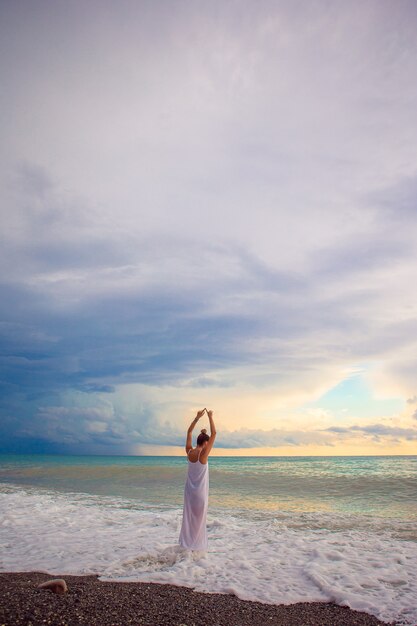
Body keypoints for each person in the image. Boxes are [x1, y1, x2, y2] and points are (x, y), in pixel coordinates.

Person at [179, 408, 216, 551]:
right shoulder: (204, 454)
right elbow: (214, 434)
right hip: (200, 495)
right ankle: (197, 549)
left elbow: (188, 432)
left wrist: (197, 417)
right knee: (199, 523)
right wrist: (210, 416)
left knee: (189, 521)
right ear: (206, 443)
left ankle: (187, 547)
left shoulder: (189, 452)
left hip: (189, 493)